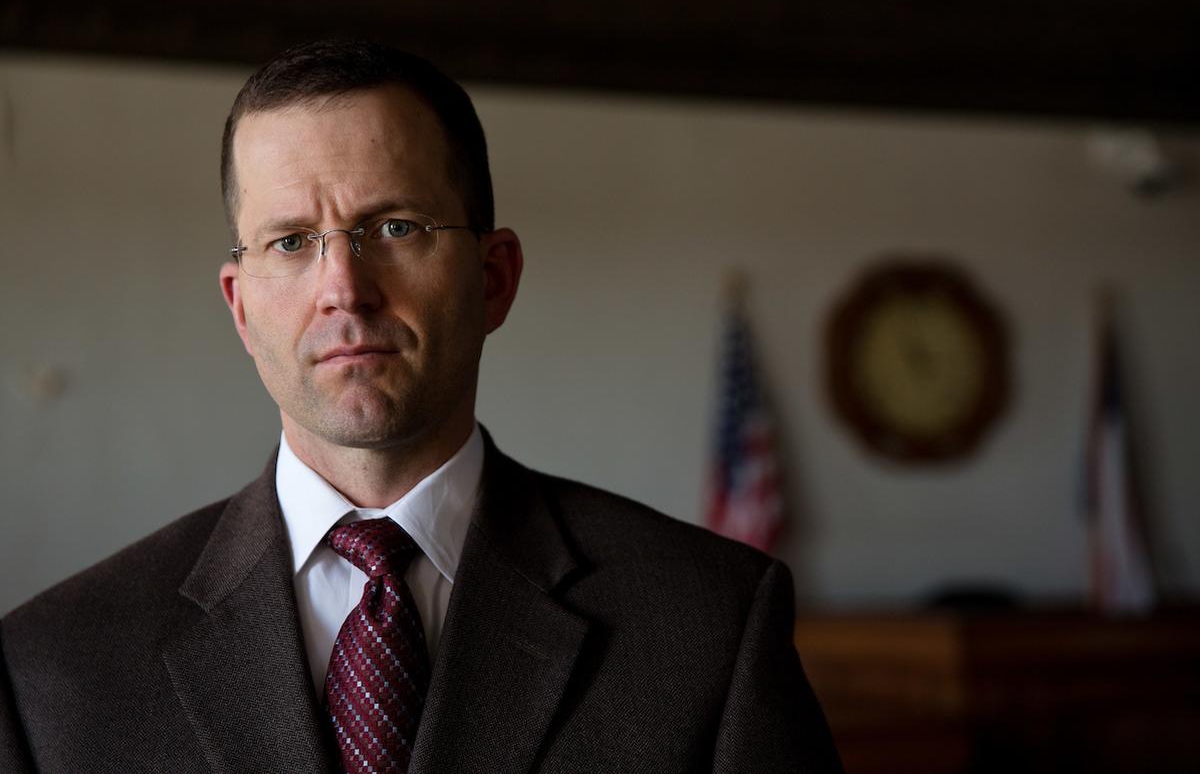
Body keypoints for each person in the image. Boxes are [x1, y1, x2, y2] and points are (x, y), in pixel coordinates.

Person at [0, 40, 841, 773]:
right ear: (242, 308)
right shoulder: (53, 668)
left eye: (395, 227)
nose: (344, 291)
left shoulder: (709, 627)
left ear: (494, 278)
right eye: (292, 242)